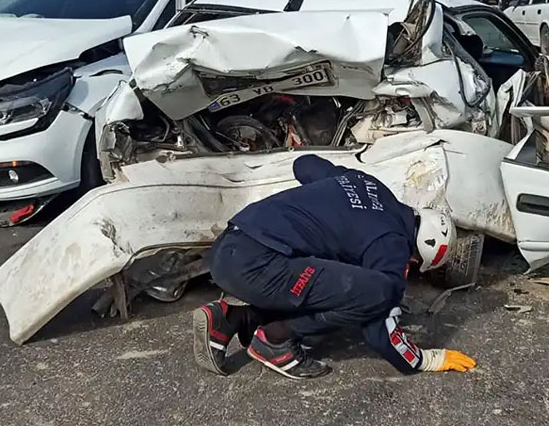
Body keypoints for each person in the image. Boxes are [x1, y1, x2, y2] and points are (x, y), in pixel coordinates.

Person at [192, 155, 476, 380]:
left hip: (228, 248)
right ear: (420, 252)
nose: (409, 265)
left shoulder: (369, 185)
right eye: (414, 263)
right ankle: (275, 340)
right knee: (377, 292)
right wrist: (426, 359)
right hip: (257, 266)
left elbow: (304, 165)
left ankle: (231, 320)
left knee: (327, 279)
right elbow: (379, 326)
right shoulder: (392, 245)